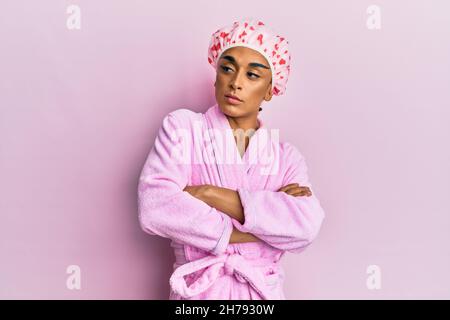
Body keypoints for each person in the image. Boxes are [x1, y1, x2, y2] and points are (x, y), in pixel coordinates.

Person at [137, 18, 325, 300]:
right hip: (202, 295)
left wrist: (209, 193)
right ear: (216, 76)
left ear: (270, 90)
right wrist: (264, 226)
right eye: (227, 69)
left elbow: (306, 227)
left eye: (252, 75)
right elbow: (155, 207)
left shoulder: (286, 158)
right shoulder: (184, 128)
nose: (235, 83)